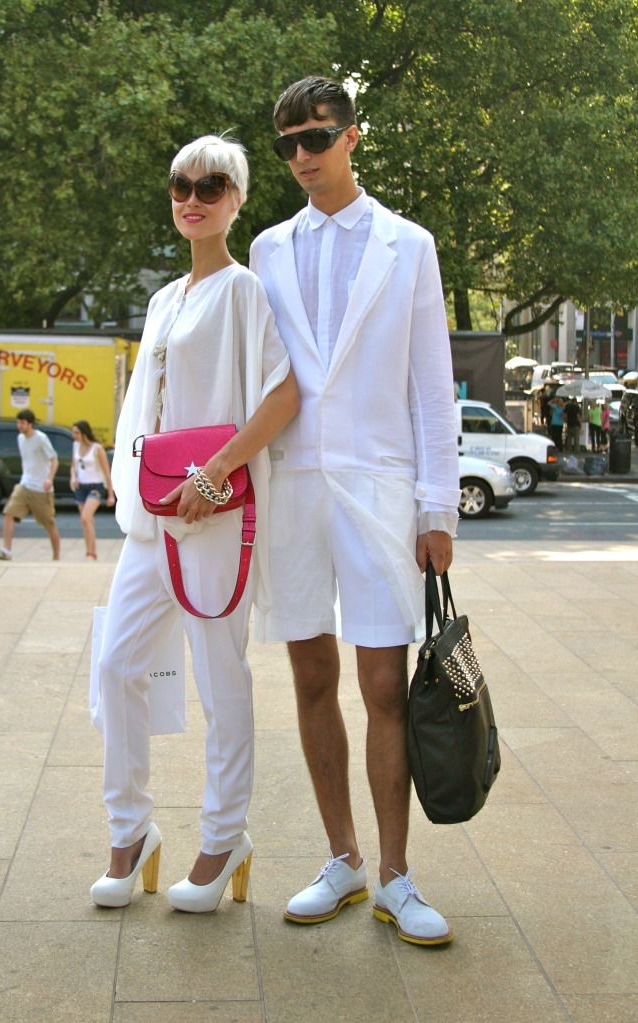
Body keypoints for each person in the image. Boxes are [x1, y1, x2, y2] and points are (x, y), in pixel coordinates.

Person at [250, 77, 460, 946]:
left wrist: (437, 503)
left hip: (379, 486)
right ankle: (341, 857)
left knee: (383, 684)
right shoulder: (265, 248)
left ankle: (397, 875)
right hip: (294, 483)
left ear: (353, 136)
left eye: (318, 135)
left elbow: (431, 386)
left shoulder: (409, 245)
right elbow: (261, 377)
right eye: (289, 142)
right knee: (309, 677)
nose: (303, 154)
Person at [90, 135, 299, 912]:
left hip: (215, 512)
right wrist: (132, 481)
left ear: (238, 199)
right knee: (115, 665)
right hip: (154, 516)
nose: (193, 197)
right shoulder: (163, 299)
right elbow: (147, 404)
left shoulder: (246, 292)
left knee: (220, 678)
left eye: (212, 185)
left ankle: (222, 836)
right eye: (181, 184)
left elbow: (282, 397)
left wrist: (215, 475)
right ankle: (130, 828)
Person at [0, 409, 60, 561]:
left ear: (30, 424)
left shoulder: (41, 438)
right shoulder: (20, 438)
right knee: (8, 513)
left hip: (41, 489)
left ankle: (56, 558)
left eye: (22, 423)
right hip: (24, 485)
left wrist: (49, 479)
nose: (19, 425)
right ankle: (6, 551)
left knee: (49, 524)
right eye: (18, 422)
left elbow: (54, 460)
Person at [70, 420, 115, 559]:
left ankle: (90, 553)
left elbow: (107, 472)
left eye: (77, 432)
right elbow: (73, 465)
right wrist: (73, 478)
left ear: (84, 433)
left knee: (85, 517)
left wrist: (110, 495)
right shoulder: (75, 446)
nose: (74, 435)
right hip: (80, 487)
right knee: (87, 522)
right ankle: (91, 551)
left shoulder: (97, 448)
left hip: (95, 487)